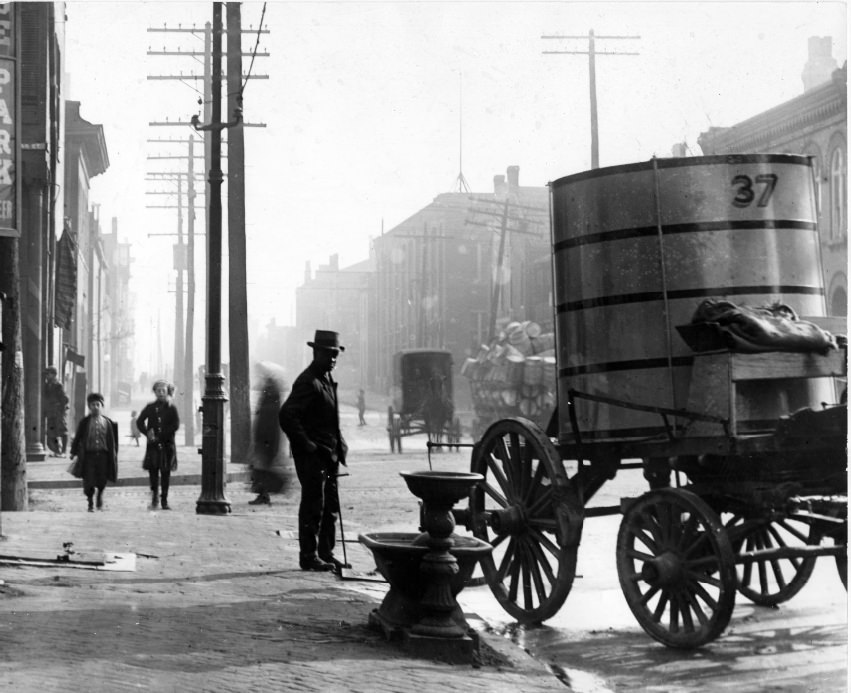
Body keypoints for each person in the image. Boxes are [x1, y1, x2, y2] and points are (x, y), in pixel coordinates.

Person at [279, 330, 350, 573]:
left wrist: (339, 443)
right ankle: (308, 556)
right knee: (313, 505)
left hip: (329, 455)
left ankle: (326, 553)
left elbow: (329, 419)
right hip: (313, 457)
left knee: (331, 506)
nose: (333, 359)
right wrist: (307, 444)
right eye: (329, 354)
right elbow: (287, 415)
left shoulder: (326, 380)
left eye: (336, 355)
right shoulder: (307, 381)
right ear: (316, 352)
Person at [69, 392, 118, 512]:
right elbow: (78, 437)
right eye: (93, 405)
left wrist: (114, 454)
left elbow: (114, 441)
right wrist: (73, 451)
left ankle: (100, 495)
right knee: (88, 480)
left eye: (98, 405)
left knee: (102, 478)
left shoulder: (109, 423)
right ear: (89, 407)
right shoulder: (85, 422)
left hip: (103, 455)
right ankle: (90, 501)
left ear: (102, 407)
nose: (95, 407)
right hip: (89, 456)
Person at [249, 363, 289, 505]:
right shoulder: (271, 392)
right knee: (262, 467)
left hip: (267, 437)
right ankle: (265, 493)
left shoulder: (270, 392)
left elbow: (267, 418)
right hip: (267, 436)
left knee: (262, 467)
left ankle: (268, 492)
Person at [136, 379, 180, 510]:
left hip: (167, 445)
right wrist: (147, 433)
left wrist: (162, 436)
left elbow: (175, 425)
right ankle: (154, 498)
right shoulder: (150, 408)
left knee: (165, 473)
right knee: (153, 472)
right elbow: (139, 422)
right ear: (154, 392)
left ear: (167, 392)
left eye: (163, 391)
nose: (161, 393)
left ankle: (164, 500)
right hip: (153, 446)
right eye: (158, 390)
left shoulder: (171, 408)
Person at [43, 366, 69, 457]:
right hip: (50, 412)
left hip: (58, 412)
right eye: (46, 374)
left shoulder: (58, 385)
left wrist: (60, 409)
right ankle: (57, 451)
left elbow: (65, 399)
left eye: (48, 374)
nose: (46, 376)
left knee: (62, 431)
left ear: (54, 375)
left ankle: (64, 452)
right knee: (51, 433)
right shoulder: (46, 385)